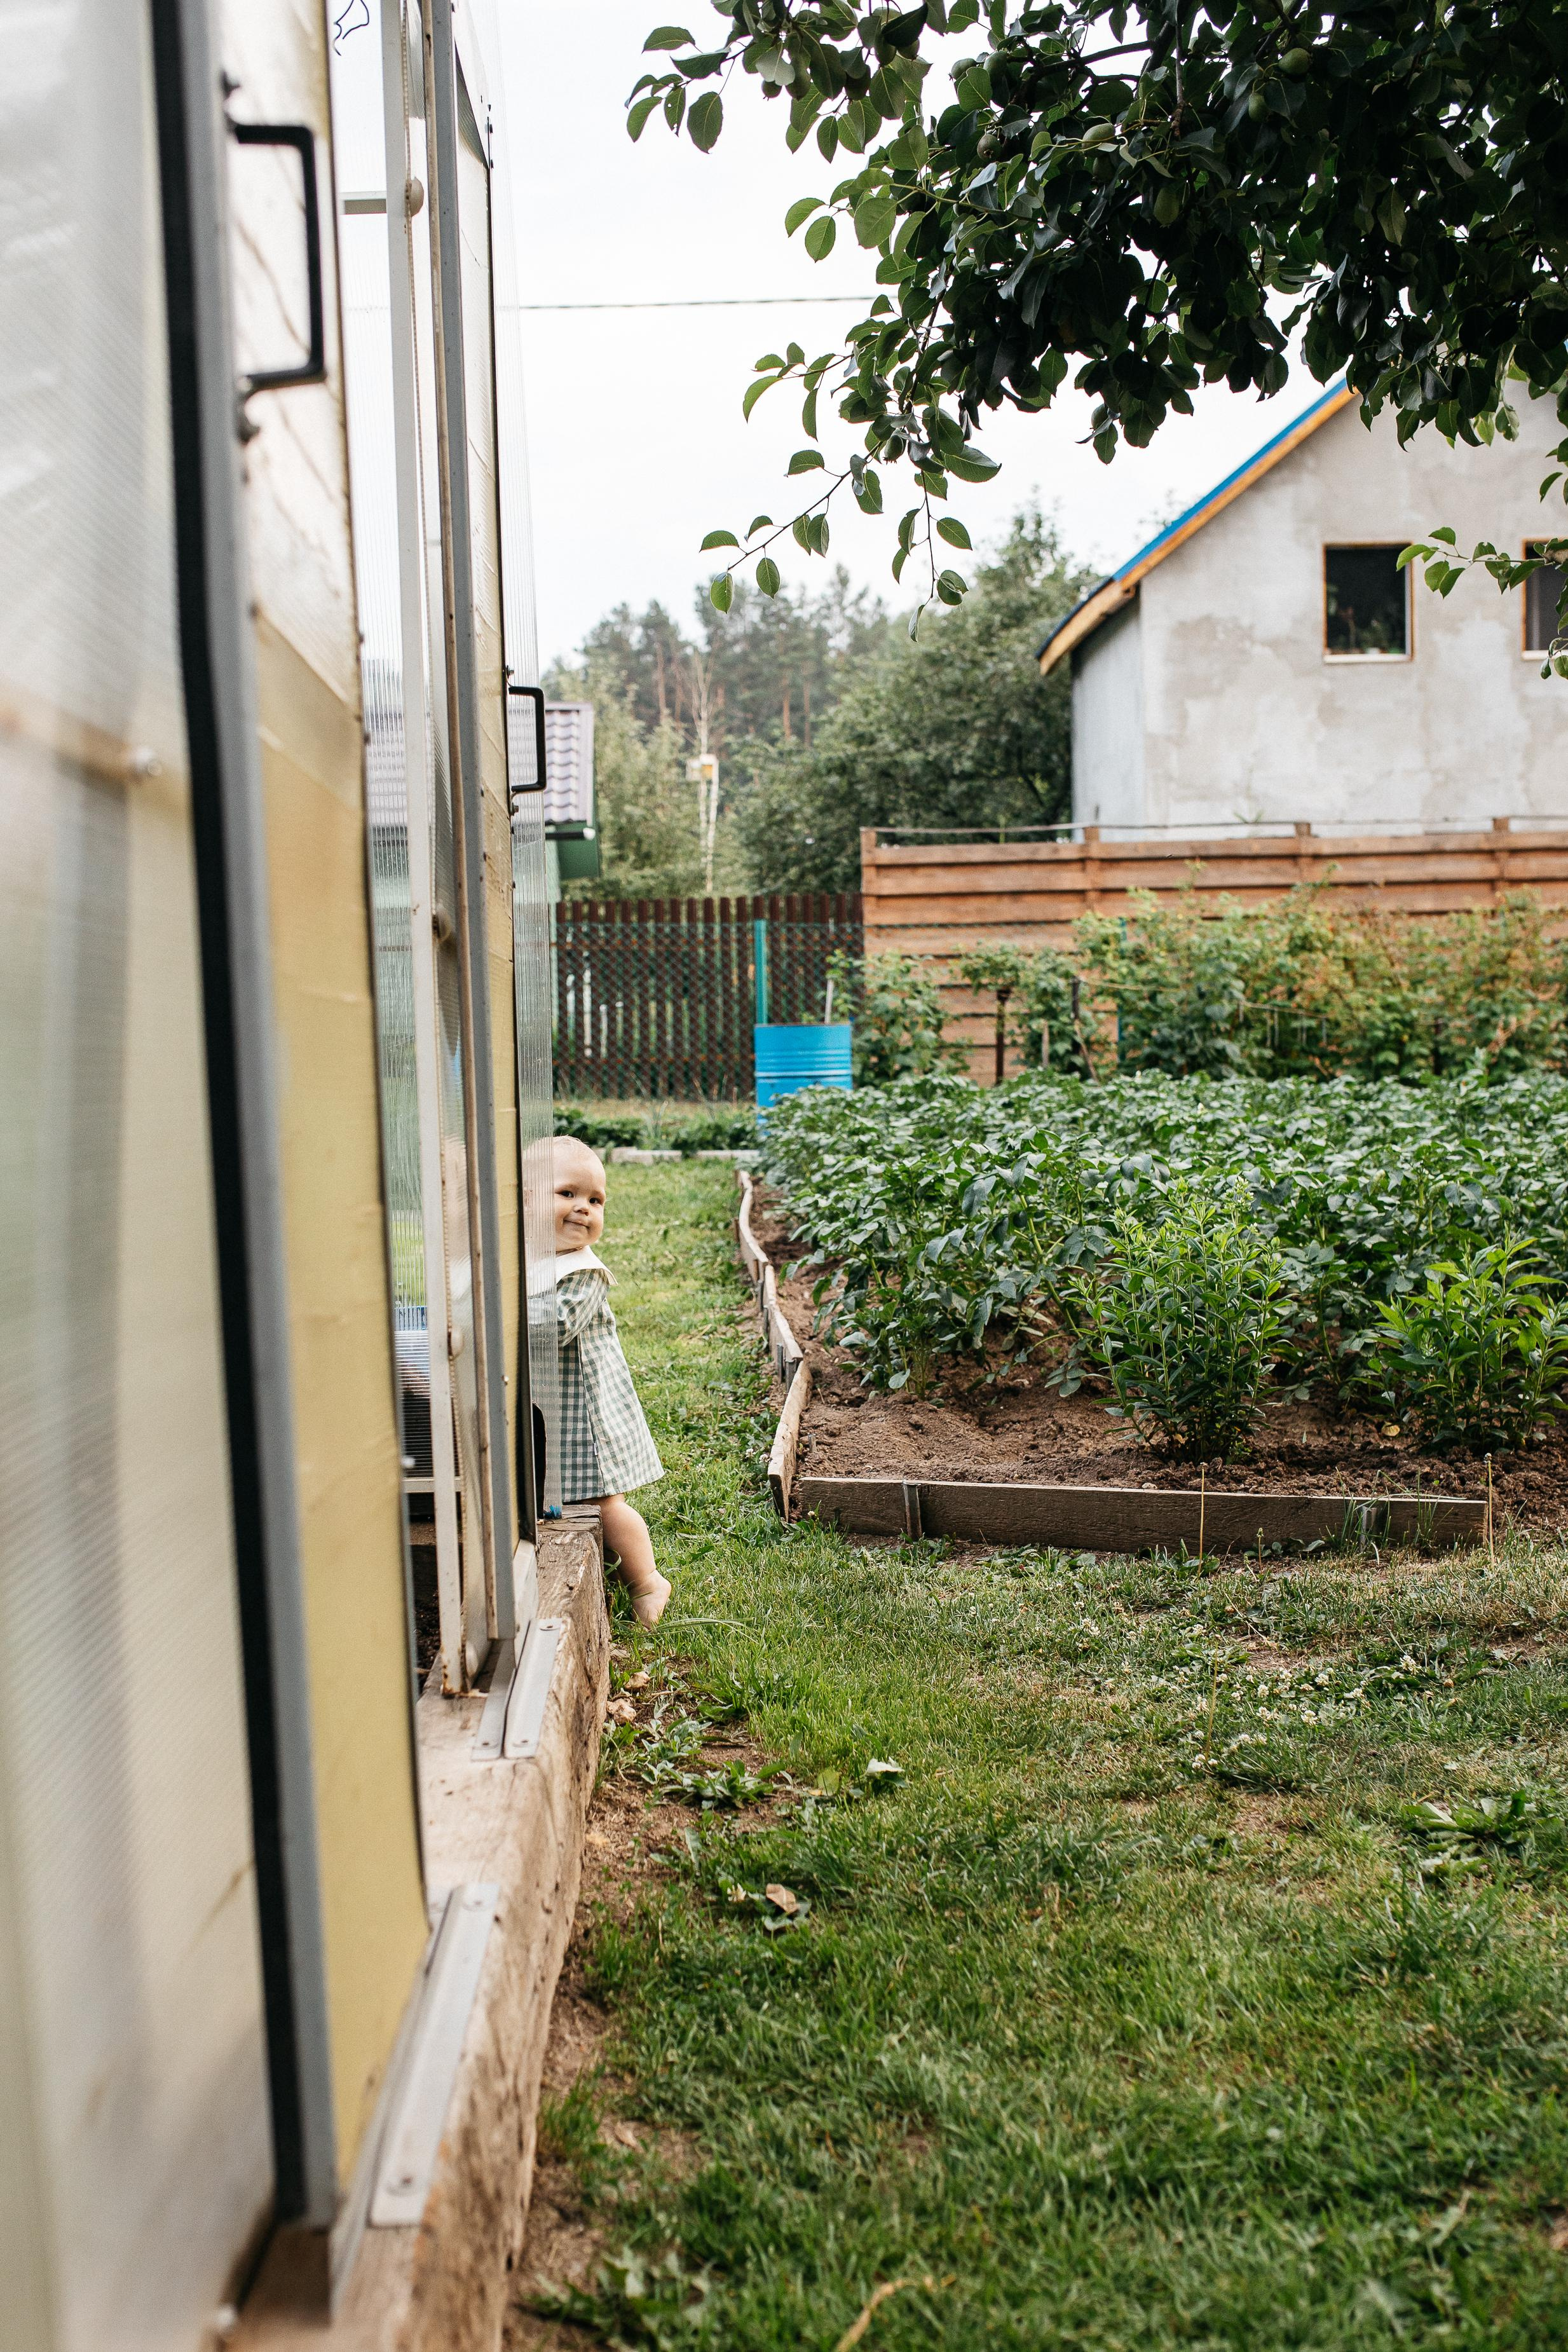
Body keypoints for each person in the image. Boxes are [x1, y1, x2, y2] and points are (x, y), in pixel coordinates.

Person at [550, 1136, 671, 1627]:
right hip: (553, 1410)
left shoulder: (583, 1271)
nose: (584, 1208)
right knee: (568, 1498)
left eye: (595, 1200)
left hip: (587, 1414)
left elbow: (550, 1328)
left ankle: (646, 1580)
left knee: (604, 1503)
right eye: (567, 1194)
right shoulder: (536, 1264)